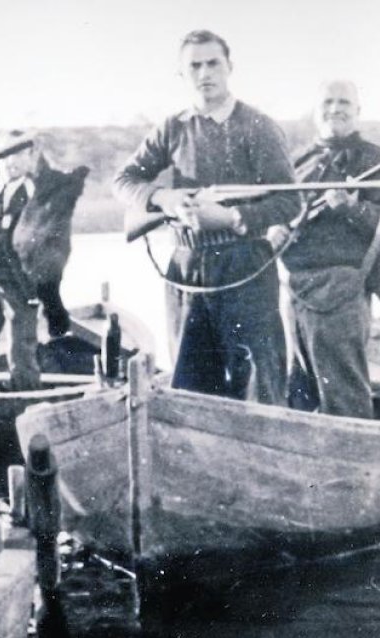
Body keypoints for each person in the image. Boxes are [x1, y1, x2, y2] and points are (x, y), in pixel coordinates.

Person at [112, 29, 300, 403]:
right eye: (194, 66)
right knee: (191, 385)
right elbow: (124, 180)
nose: (205, 74)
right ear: (182, 75)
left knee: (258, 386)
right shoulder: (173, 127)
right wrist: (164, 198)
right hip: (186, 269)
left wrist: (231, 218)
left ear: (230, 66)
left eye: (213, 63)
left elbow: (290, 203)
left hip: (245, 266)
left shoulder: (257, 127)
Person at [283, 80, 380, 419]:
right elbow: (275, 216)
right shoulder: (296, 162)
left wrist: (351, 209)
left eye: (344, 102)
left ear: (357, 111)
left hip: (342, 290)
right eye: (328, 101)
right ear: (316, 110)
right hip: (295, 290)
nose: (335, 108)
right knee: (299, 390)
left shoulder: (376, 160)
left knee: (344, 395)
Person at [0, 131, 89, 391]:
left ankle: (25, 403)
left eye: (18, 154)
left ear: (31, 158)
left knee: (21, 353)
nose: (10, 161)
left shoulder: (41, 196)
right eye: (4, 155)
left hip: (20, 280)